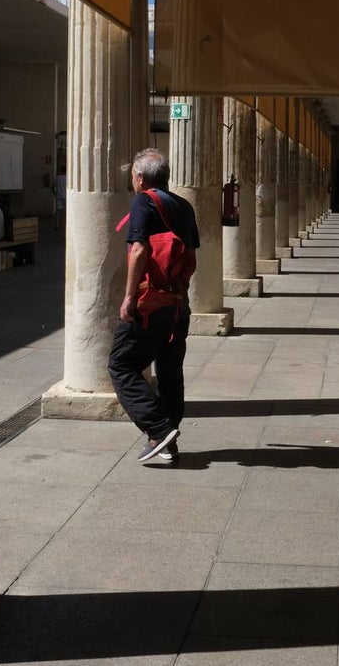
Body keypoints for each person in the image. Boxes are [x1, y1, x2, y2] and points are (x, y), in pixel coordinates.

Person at [108, 149, 200, 464]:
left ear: (140, 177)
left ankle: (159, 431)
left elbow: (139, 249)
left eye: (132, 176)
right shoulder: (185, 207)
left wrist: (130, 297)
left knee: (121, 366)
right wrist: (181, 296)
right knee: (170, 372)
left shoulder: (143, 201)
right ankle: (166, 441)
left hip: (150, 304)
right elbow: (190, 257)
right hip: (177, 307)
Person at [53, 164, 67, 231]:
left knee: (58, 212)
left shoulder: (57, 178)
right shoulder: (68, 178)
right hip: (66, 197)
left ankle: (56, 225)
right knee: (65, 212)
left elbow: (52, 187)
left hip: (58, 196)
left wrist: (55, 194)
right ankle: (65, 224)